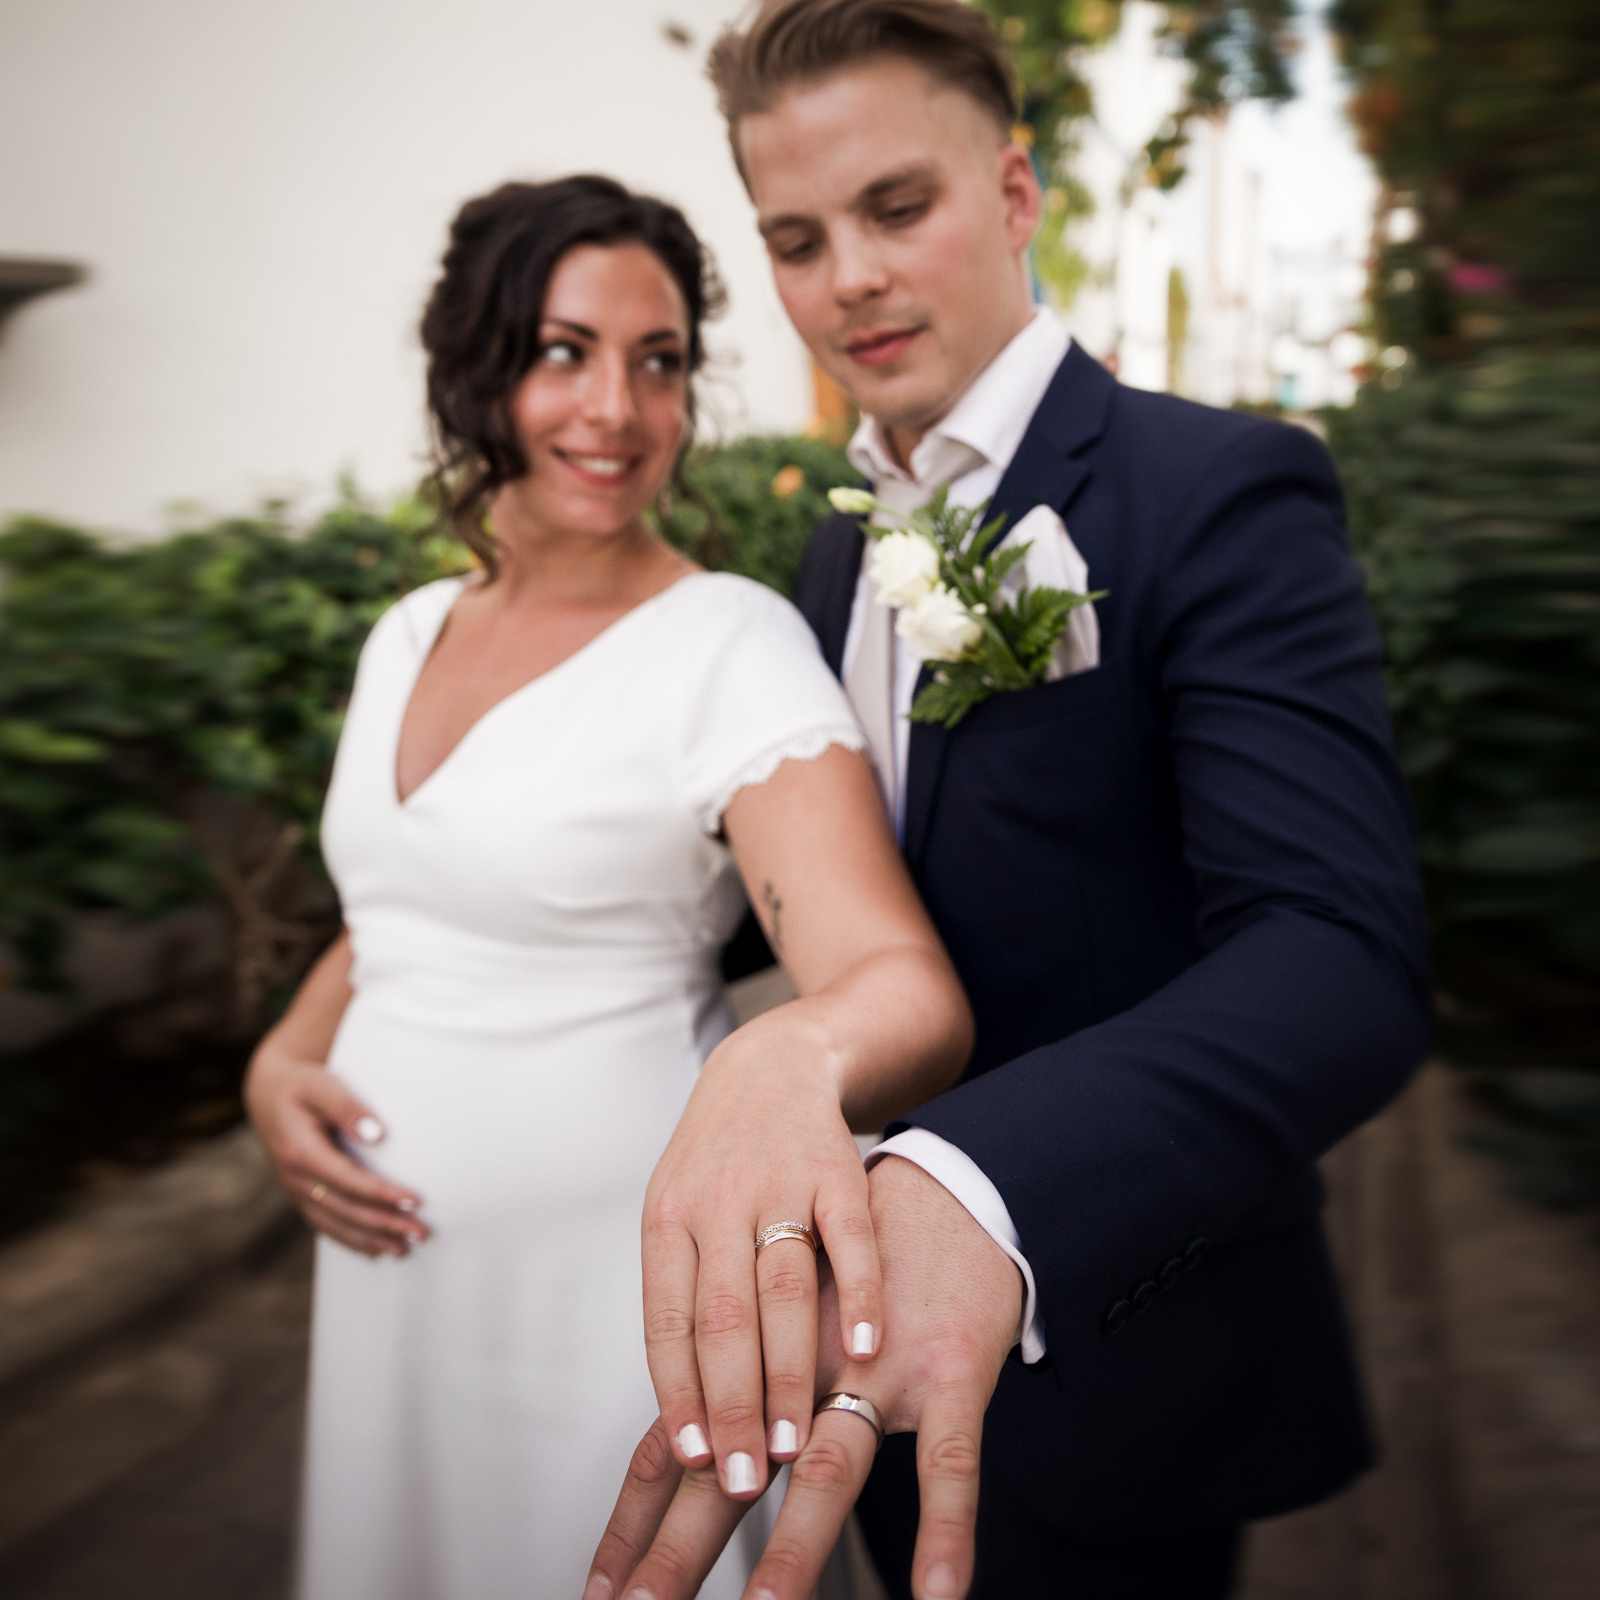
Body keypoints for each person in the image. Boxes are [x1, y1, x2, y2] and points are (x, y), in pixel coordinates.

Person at [587, 4, 1431, 1598]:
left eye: (896, 208)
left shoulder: (1218, 489)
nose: (850, 277)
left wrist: (989, 1185)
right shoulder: (833, 548)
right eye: (797, 238)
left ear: (1017, 190)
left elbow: (1338, 952)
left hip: (1121, 1336)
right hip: (854, 1345)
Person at [243, 174, 973, 1600]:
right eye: (565, 351)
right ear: (480, 366)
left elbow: (903, 988)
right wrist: (282, 1056)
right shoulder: (408, 632)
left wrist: (787, 1062)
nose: (619, 412)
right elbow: (402, 898)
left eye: (659, 363)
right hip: (395, 1296)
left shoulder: (726, 644)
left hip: (608, 1313)